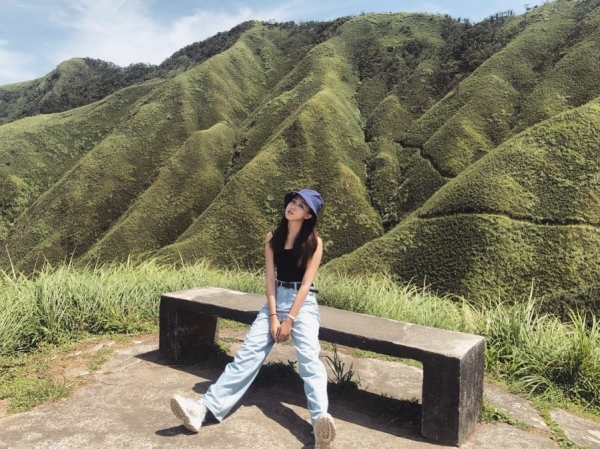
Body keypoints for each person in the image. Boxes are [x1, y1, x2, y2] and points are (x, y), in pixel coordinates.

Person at [170, 188, 336, 449]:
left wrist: (290, 319)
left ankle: (320, 426)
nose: (293, 206)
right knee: (248, 354)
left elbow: (306, 285)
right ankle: (202, 409)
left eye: (301, 205)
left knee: (309, 359)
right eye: (293, 201)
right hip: (275, 299)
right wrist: (273, 317)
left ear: (308, 216)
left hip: (302, 304)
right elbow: (269, 279)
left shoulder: (315, 242)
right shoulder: (272, 237)